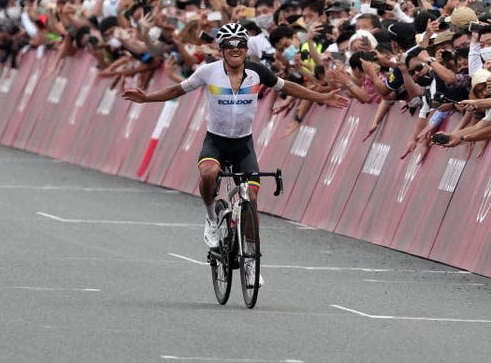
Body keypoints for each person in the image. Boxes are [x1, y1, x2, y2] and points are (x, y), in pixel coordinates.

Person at [122, 23, 349, 286]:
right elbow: (177, 90)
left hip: (243, 145)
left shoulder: (257, 72)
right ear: (221, 49)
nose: (235, 49)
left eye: (240, 44)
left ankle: (251, 261)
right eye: (229, 45)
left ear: (246, 48)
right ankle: (210, 219)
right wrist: (147, 98)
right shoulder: (208, 72)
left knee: (251, 198)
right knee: (208, 173)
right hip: (216, 142)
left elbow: (287, 87)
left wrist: (320, 98)